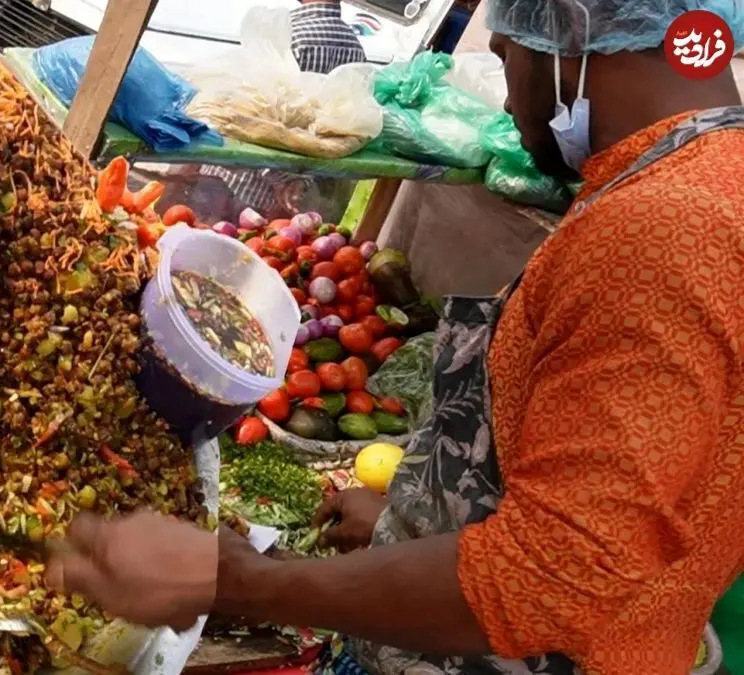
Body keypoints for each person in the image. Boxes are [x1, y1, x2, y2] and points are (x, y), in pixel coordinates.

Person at [46, 1, 744, 673]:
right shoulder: (713, 179)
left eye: (504, 54)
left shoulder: (661, 230)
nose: (506, 104)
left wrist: (244, 580)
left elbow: (552, 576)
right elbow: (636, 480)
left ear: (567, 24)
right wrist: (417, 517)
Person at [196, 0, 366, 220]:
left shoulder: (288, 35)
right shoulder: (355, 49)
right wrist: (295, 181)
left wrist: (278, 177)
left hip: (239, 188)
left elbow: (245, 116)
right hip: (289, 200)